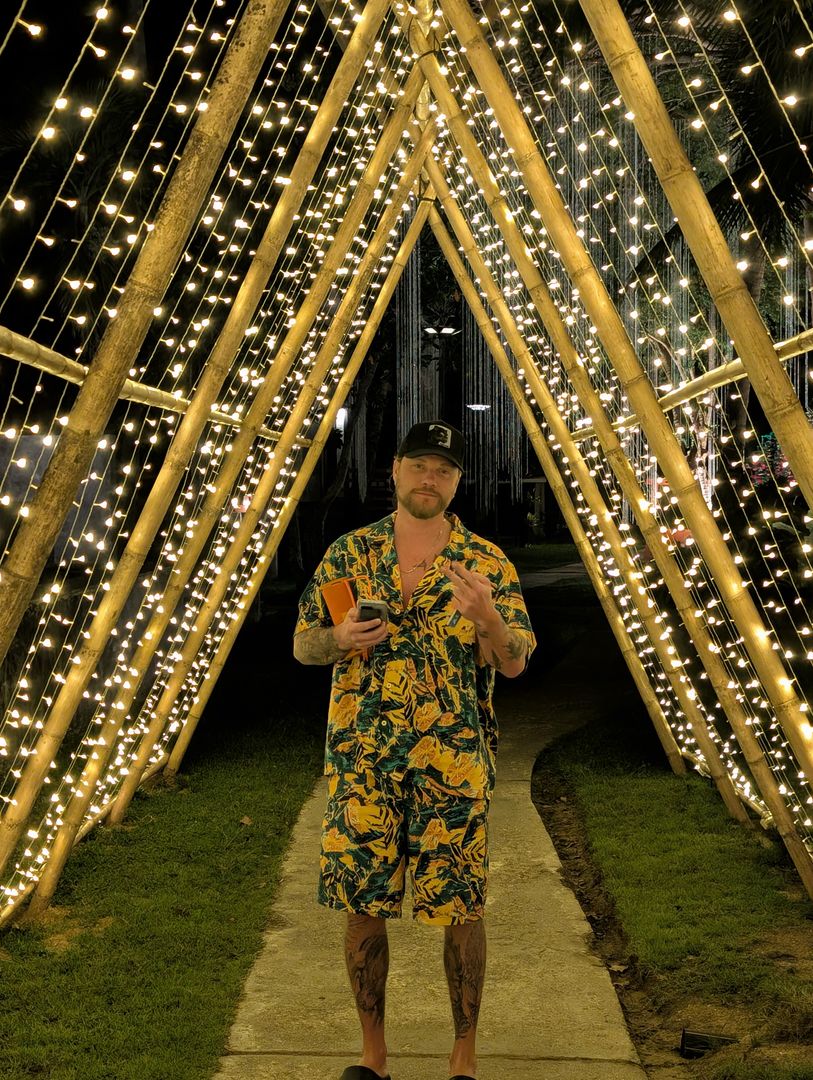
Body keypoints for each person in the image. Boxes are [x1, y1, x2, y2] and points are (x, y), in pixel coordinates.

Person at [293, 420, 536, 1080]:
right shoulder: (350, 554)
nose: (431, 478)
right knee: (362, 906)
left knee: (462, 909)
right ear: (396, 470)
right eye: (420, 465)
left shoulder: (485, 563)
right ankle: (372, 1059)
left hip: (451, 767)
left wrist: (488, 619)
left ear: (457, 482)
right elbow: (303, 645)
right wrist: (338, 638)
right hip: (363, 765)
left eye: (444, 470)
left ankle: (463, 1059)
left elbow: (515, 663)